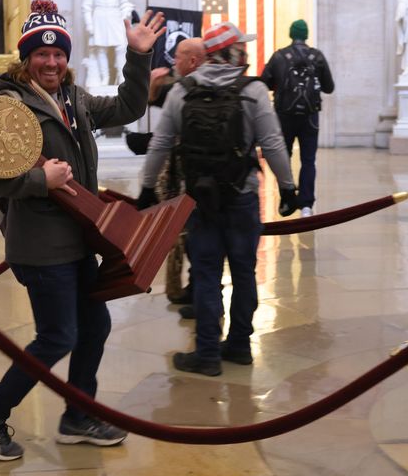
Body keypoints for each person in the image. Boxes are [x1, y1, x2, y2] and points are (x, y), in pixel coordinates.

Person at [0, 0, 166, 461]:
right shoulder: (7, 105)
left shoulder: (75, 99)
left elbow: (130, 106)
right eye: (41, 54)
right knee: (58, 335)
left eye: (58, 54)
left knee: (94, 324)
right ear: (26, 58)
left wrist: (138, 56)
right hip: (39, 243)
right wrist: (39, 180)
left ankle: (78, 416)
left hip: (78, 238)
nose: (51, 61)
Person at [136, 21, 297, 377]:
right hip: (241, 195)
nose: (247, 50)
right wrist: (288, 188)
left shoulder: (183, 91)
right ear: (234, 52)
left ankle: (207, 352)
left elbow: (161, 142)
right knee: (243, 272)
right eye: (243, 46)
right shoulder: (253, 91)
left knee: (207, 273)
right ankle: (239, 345)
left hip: (199, 198)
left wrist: (147, 187)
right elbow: (272, 143)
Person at [147, 37, 207, 306]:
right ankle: (186, 289)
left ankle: (195, 292)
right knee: (186, 234)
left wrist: (147, 184)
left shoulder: (189, 88)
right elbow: (153, 102)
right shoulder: (178, 87)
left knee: (191, 236)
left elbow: (162, 139)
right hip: (185, 175)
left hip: (190, 178)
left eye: (180, 56)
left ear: (193, 60)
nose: (174, 60)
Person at [261, 19, 335, 218]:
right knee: (308, 160)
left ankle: (288, 199)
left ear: (291, 34)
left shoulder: (278, 56)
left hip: (284, 116)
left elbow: (264, 83)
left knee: (283, 158)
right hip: (310, 117)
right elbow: (329, 87)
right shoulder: (317, 56)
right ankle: (306, 206)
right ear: (306, 35)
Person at [82, 0, 134, 86]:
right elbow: (86, 6)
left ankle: (122, 76)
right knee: (101, 49)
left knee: (121, 47)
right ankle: (105, 77)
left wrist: (126, 10)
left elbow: (124, 2)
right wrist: (89, 24)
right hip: (99, 18)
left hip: (115, 16)